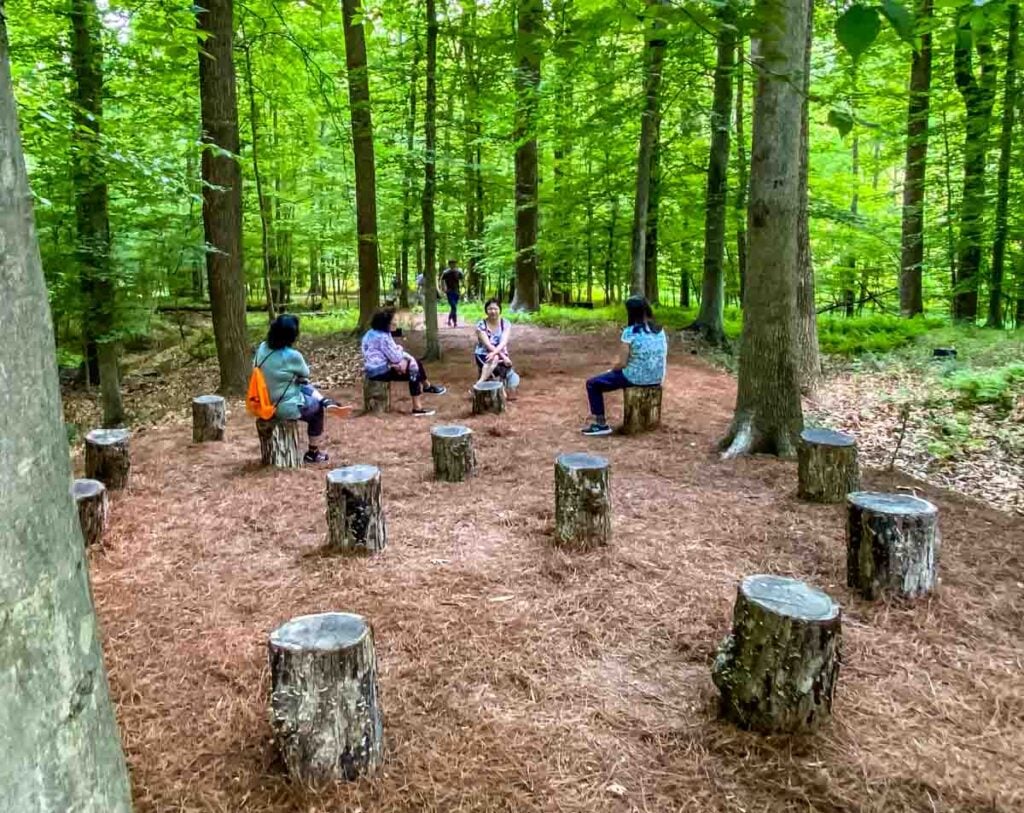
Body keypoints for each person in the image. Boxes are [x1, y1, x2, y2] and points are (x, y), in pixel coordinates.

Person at [254, 314, 350, 463]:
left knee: (300, 384)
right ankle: (313, 452)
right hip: (283, 407)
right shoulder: (293, 356)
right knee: (316, 408)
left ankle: (325, 400)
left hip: (263, 402)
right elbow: (306, 373)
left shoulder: (262, 347)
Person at [581, 296, 667, 436]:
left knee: (592, 384)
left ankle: (600, 424)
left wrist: (612, 369)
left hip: (635, 377)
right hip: (656, 378)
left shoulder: (630, 332)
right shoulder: (660, 330)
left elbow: (622, 363)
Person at [362, 309, 447, 416]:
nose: (396, 323)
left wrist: (396, 360)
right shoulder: (383, 337)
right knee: (413, 369)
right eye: (394, 321)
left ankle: (427, 386)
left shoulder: (370, 333)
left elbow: (370, 353)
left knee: (414, 362)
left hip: (372, 369)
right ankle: (417, 407)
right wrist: (399, 353)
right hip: (380, 371)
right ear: (386, 323)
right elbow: (396, 357)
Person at [474, 298, 520, 398]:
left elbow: (503, 342)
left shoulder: (506, 323)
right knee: (494, 359)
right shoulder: (481, 325)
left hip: (499, 352)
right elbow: (488, 344)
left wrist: (501, 356)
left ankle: (498, 387)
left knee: (501, 365)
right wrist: (502, 356)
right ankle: (480, 384)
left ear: (500, 310)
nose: (493, 311)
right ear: (486, 310)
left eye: (495, 308)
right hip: (483, 353)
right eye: (490, 309)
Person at [439, 259, 464, 327]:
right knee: (454, 306)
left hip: (456, 291)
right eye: (451, 264)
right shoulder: (446, 272)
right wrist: (443, 289)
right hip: (449, 291)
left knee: (453, 307)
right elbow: (441, 280)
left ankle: (449, 320)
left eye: (454, 263)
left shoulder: (459, 272)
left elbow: (462, 281)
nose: (453, 265)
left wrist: (462, 290)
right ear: (449, 265)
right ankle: (455, 322)